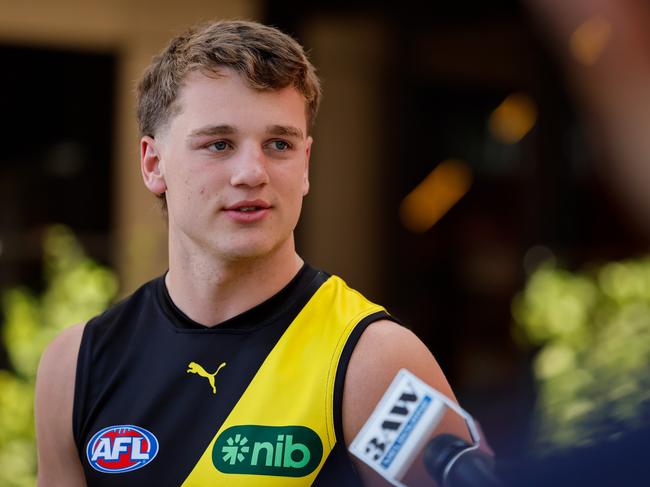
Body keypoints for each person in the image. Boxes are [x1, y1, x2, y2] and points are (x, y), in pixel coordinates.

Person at [34, 19, 472, 486]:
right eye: (219, 144)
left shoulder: (377, 362)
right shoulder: (76, 363)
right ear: (153, 163)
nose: (252, 172)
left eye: (278, 144)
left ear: (304, 164)